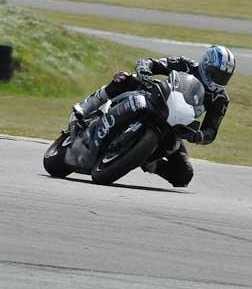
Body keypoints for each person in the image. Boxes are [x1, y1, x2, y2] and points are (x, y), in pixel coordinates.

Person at [70, 45, 236, 187]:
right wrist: (144, 70)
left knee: (184, 175)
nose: (219, 80)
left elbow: (211, 130)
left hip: (176, 124)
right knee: (126, 78)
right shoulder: (186, 64)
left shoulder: (220, 99)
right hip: (157, 100)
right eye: (217, 74)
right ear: (206, 65)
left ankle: (145, 159)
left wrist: (198, 136)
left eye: (224, 77)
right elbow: (151, 62)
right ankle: (87, 106)